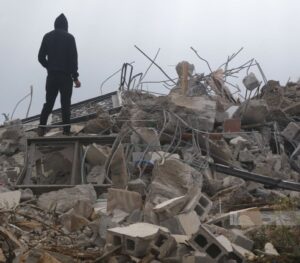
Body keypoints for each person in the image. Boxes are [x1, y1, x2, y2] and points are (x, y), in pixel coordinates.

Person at [38, 13, 81, 136]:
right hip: (65, 77)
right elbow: (73, 59)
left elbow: (40, 57)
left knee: (49, 103)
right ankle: (66, 131)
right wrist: (75, 78)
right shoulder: (70, 38)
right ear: (66, 26)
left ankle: (41, 128)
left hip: (51, 76)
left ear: (55, 25)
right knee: (65, 103)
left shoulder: (47, 36)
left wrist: (49, 66)